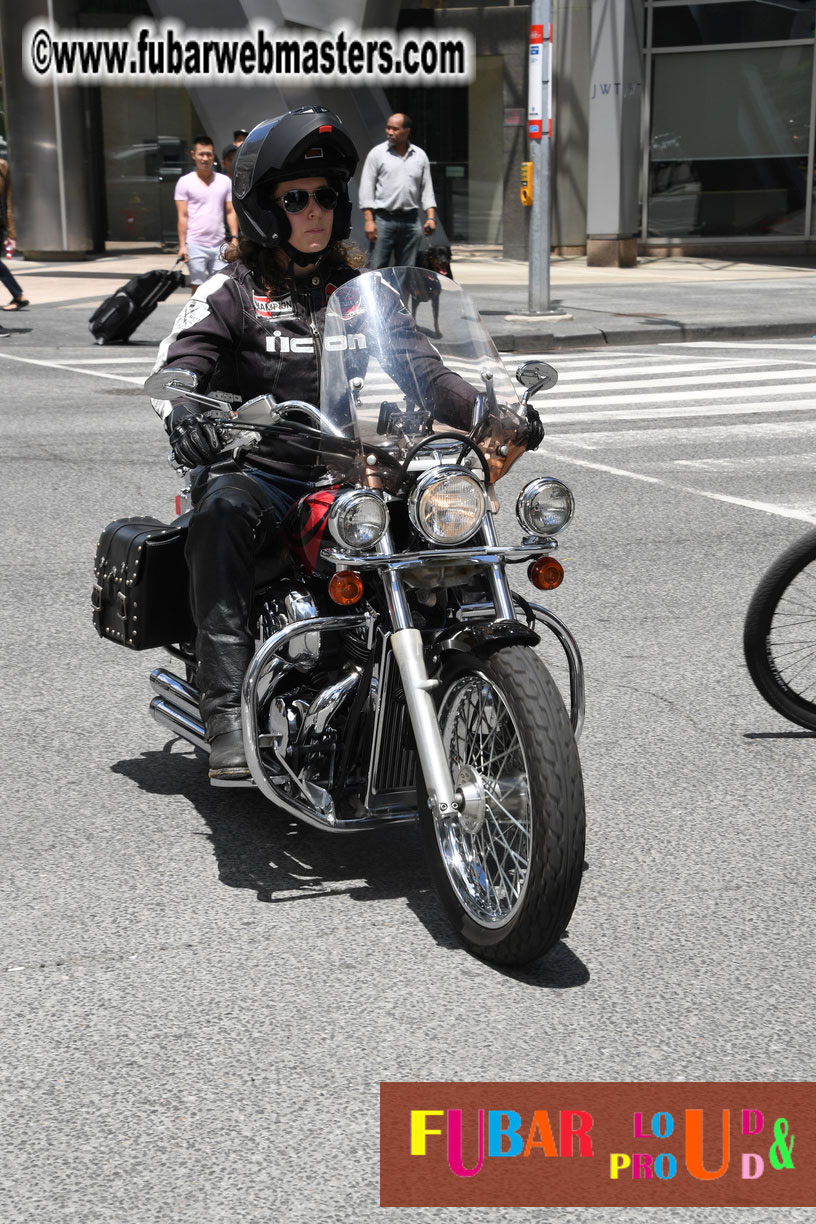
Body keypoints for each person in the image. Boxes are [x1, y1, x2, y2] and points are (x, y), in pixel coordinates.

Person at [148, 106, 541, 783]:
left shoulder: (355, 293)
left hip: (349, 471)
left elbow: (423, 368)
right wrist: (186, 405)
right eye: (295, 198)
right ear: (266, 207)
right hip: (264, 471)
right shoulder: (233, 291)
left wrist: (493, 411)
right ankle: (226, 714)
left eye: (326, 195)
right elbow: (183, 359)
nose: (315, 210)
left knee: (439, 525)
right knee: (220, 514)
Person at [359, 113, 436, 269]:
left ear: (406, 131)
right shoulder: (377, 154)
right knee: (376, 267)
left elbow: (427, 189)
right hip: (384, 220)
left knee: (407, 270)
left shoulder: (419, 156)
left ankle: (403, 294)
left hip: (411, 221)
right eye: (388, 128)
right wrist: (369, 221)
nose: (390, 132)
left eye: (395, 129)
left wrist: (431, 218)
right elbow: (366, 189)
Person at [175, 135, 238, 295]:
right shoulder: (184, 182)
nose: (205, 158)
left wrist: (235, 239)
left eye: (209, 154)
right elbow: (182, 216)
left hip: (218, 244)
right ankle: (193, 318)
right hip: (195, 244)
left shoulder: (224, 181)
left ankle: (216, 319)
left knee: (220, 285)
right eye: (201, 154)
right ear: (193, 155)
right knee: (198, 286)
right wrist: (182, 245)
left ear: (213, 155)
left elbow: (231, 211)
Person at [0, 156, 29, 314]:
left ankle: (18, 295)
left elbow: (8, 201)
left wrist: (11, 232)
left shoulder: (3, 166)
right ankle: (18, 296)